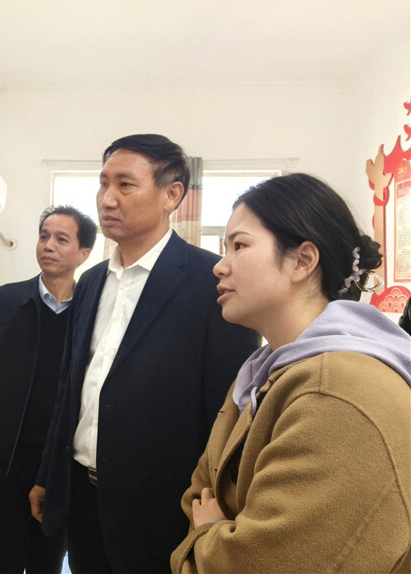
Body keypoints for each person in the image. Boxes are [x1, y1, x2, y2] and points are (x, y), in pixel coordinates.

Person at [29, 134, 261, 573]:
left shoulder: (211, 282)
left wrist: (218, 504)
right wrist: (48, 477)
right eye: (103, 184)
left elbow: (228, 409)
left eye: (125, 185)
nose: (107, 198)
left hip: (163, 508)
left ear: (171, 195)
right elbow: (71, 389)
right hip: (81, 496)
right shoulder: (91, 281)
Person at [171, 173, 411, 574]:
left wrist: (209, 533)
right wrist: (218, 534)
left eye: (239, 246)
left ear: (303, 260)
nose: (220, 266)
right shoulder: (263, 371)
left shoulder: (336, 393)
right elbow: (199, 494)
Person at [0, 205, 97, 574]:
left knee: (47, 562)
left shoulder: (91, 313)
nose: (48, 245)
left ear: (84, 253)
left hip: (59, 463)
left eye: (61, 239)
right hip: (2, 458)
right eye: (43, 236)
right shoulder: (5, 301)